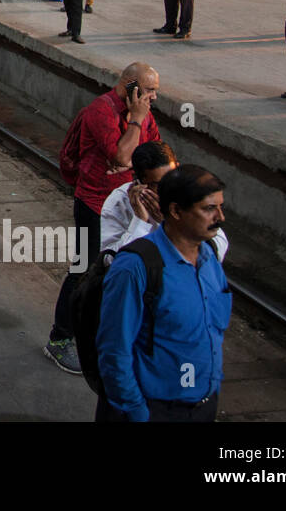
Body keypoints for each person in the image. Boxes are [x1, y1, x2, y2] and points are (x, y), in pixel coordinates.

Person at [44, 62, 161, 373]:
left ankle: (97, 330)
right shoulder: (101, 110)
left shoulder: (144, 115)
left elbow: (151, 156)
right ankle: (59, 338)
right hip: (93, 203)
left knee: (118, 268)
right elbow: (123, 157)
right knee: (83, 268)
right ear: (131, 88)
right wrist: (134, 126)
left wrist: (130, 156)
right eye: (148, 91)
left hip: (127, 206)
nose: (153, 98)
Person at [96, 165, 231, 422]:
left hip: (201, 406)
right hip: (152, 410)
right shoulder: (136, 267)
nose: (220, 217)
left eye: (221, 207)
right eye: (209, 209)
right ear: (176, 211)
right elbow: (114, 350)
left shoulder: (210, 260)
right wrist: (136, 411)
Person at [100, 142, 229, 258]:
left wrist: (171, 224)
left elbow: (217, 247)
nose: (170, 187)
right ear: (138, 182)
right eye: (159, 184)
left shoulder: (190, 191)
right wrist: (140, 222)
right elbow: (111, 261)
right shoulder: (119, 202)